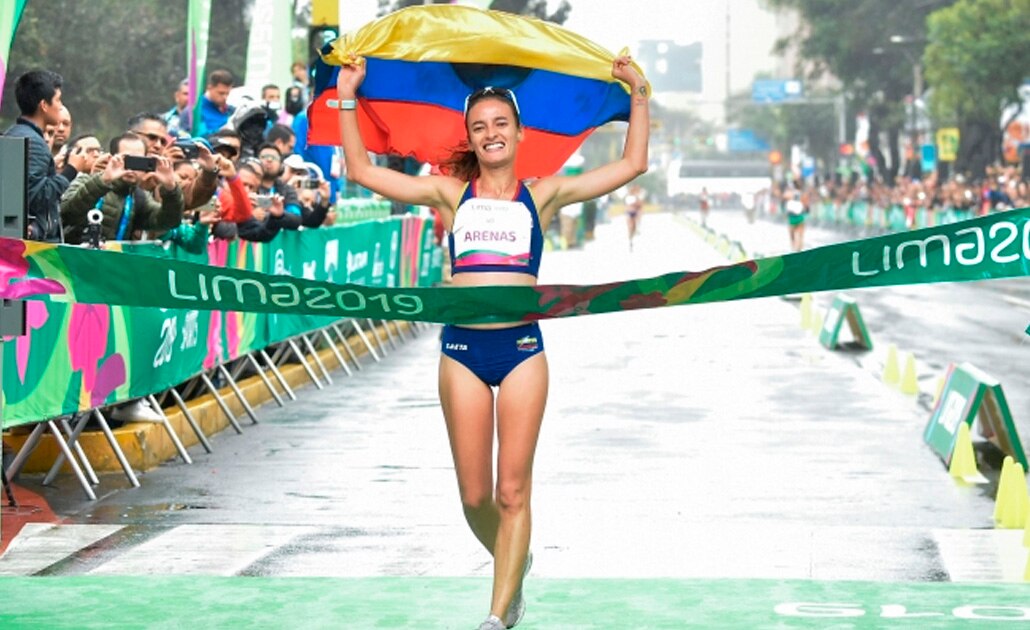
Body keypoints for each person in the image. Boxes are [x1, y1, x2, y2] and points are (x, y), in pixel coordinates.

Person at [336, 53, 649, 630]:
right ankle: (515, 560)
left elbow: (633, 163)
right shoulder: (450, 195)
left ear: (520, 132)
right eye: (479, 126)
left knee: (512, 493)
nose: (490, 133)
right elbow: (361, 171)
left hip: (523, 351)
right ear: (471, 139)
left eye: (500, 123)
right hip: (462, 353)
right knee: (476, 497)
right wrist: (348, 93)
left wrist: (638, 93)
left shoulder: (544, 194)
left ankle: (498, 614)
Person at [4, 70, 70, 242]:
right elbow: (36, 196)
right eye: (58, 100)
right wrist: (71, 170)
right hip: (33, 249)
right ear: (44, 105)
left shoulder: (14, 134)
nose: (60, 106)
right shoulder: (34, 143)